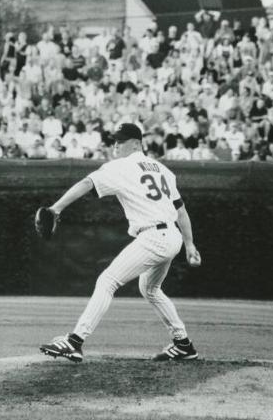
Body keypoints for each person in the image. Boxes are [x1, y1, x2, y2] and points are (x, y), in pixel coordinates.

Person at [39, 123, 201, 363]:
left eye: (120, 140)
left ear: (136, 143)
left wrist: (56, 208)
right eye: (113, 140)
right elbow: (181, 210)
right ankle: (183, 344)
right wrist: (189, 245)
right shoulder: (163, 170)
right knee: (150, 289)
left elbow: (86, 183)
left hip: (153, 237)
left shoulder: (121, 166)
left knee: (107, 281)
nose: (115, 144)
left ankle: (74, 342)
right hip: (172, 237)